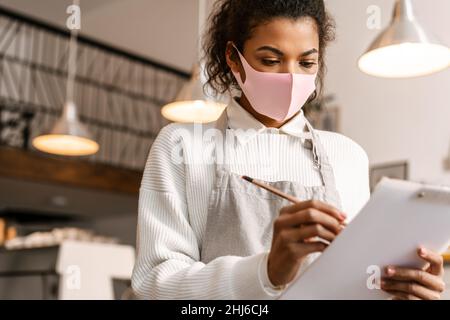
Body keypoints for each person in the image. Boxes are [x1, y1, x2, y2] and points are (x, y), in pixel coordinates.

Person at [132, 0, 445, 300]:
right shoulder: (181, 147)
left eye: (306, 62)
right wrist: (266, 272)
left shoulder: (348, 156)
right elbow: (154, 287)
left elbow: (352, 286)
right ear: (232, 57)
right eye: (270, 60)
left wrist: (397, 292)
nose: (291, 77)